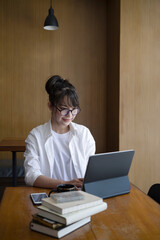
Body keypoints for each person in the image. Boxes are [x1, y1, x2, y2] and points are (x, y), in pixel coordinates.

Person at [24, 75, 96, 189]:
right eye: (64, 109)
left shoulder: (84, 134)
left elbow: (92, 171)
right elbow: (31, 176)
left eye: (74, 109)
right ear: (50, 106)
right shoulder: (36, 135)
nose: (70, 115)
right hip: (50, 195)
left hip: (81, 195)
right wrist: (65, 184)